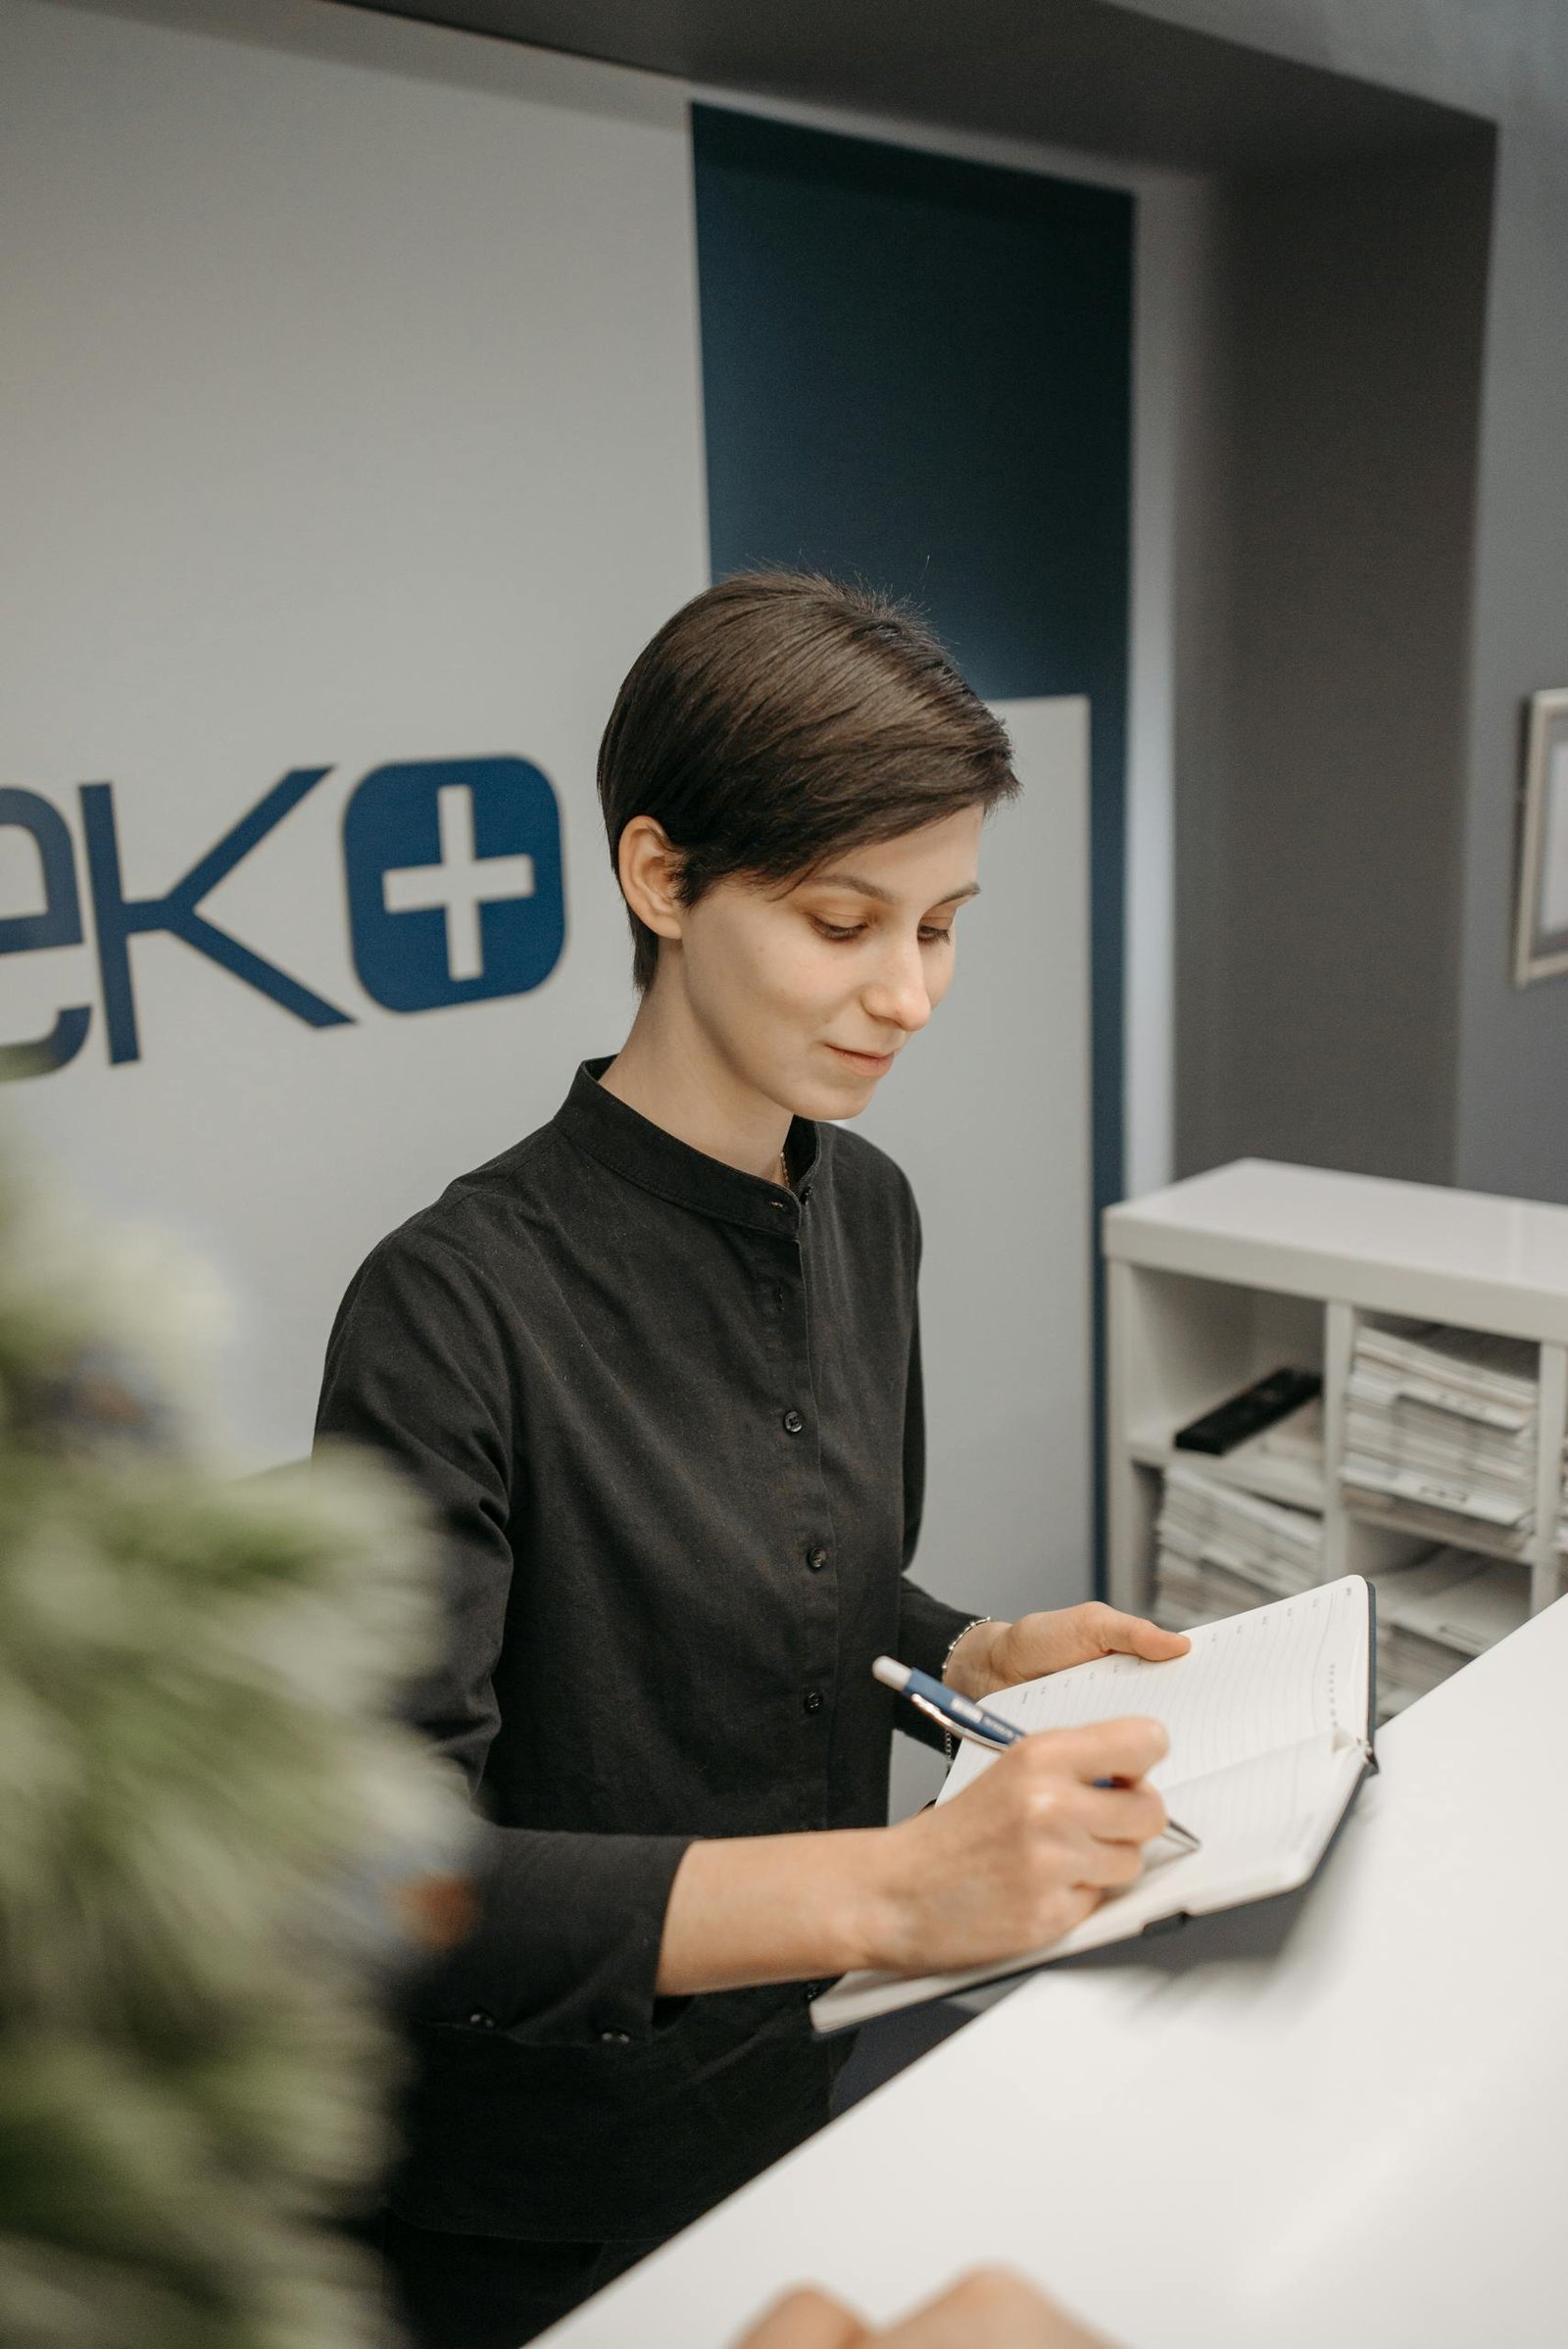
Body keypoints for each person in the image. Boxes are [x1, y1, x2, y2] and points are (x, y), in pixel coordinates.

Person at [315, 572, 1187, 2348]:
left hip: (801, 2080)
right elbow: (393, 1880)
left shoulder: (870, 1208)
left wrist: (958, 1652)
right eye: (843, 921)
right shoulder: (448, 1306)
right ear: (661, 880)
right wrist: (891, 1886)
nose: (909, 994)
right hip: (538, 2194)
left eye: (941, 927)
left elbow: (782, 1565)